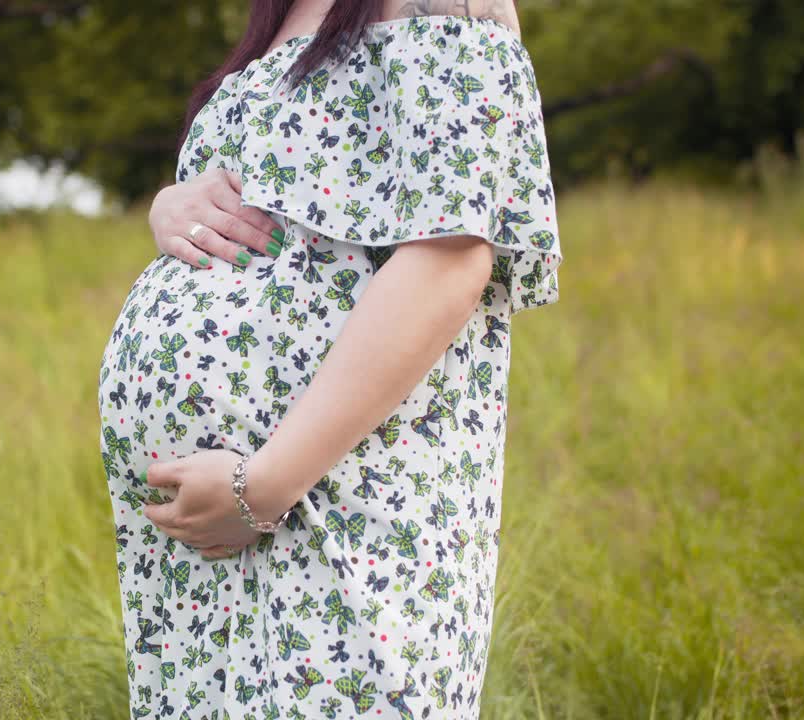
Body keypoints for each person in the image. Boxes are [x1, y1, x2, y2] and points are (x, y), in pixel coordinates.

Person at [96, 0, 562, 716]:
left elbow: (450, 255)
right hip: (209, 546)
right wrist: (173, 205)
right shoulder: (285, 10)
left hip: (337, 507)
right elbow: (275, 200)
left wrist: (264, 486)